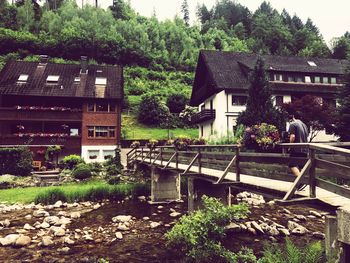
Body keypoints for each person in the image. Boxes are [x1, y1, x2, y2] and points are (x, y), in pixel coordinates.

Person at [287, 113, 309, 191]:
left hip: (296, 148)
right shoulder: (304, 125)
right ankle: (300, 185)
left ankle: (301, 181)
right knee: (300, 167)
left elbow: (292, 136)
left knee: (292, 164)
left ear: (293, 117)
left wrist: (290, 146)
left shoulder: (293, 124)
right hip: (305, 149)